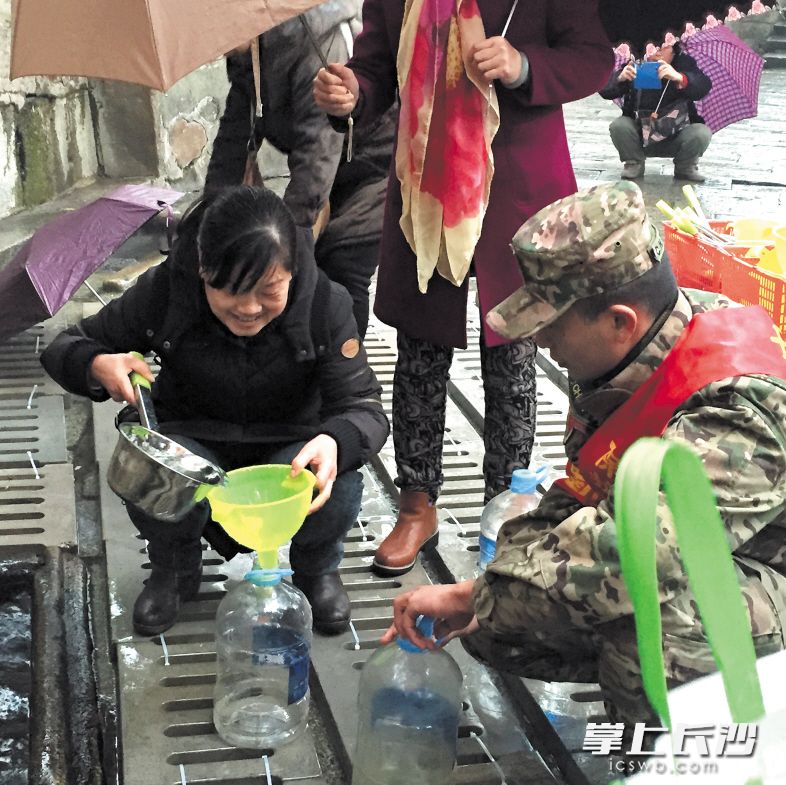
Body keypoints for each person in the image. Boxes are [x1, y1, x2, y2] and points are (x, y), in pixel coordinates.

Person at [380, 180, 786, 723]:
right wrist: (488, 589)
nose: (540, 342)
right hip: (710, 559)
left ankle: (686, 749)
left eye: (551, 325)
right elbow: (581, 493)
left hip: (762, 574)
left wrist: (479, 595)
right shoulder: (633, 356)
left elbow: (639, 552)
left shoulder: (739, 404)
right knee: (500, 624)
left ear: (620, 322)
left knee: (656, 630)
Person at [314, 0, 613, 577]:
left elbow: (592, 59)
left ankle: (505, 504)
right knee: (420, 349)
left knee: (514, 349)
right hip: (426, 181)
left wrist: (524, 65)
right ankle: (417, 502)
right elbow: (377, 67)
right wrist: (352, 93)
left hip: (519, 184)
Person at [41, 186, 389, 637]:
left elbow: (364, 408)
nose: (247, 309)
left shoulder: (326, 303)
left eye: (268, 290)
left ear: (293, 270)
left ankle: (317, 569)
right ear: (203, 268)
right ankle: (174, 568)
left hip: (286, 447)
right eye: (228, 289)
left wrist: (335, 441)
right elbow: (65, 346)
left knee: (336, 480)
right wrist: (96, 363)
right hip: (192, 444)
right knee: (148, 467)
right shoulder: (167, 290)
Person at [204, 2, 396, 338]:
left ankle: (347, 369)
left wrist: (289, 239)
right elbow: (235, 136)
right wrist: (208, 223)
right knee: (291, 258)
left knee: (340, 257)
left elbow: (317, 149)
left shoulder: (314, 41)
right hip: (328, 166)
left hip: (375, 163)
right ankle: (305, 362)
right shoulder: (248, 51)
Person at [599, 39, 712, 183]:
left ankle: (686, 166)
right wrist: (620, 78)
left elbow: (703, 86)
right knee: (619, 126)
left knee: (701, 132)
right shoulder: (637, 63)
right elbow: (605, 91)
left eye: (664, 46)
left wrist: (680, 78)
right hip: (640, 135)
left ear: (673, 47)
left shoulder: (684, 62)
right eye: (653, 46)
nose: (658, 51)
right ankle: (634, 162)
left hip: (676, 134)